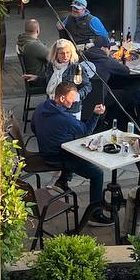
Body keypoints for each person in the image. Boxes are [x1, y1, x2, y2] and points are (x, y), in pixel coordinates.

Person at [30, 81, 110, 224]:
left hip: (45, 150)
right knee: (98, 173)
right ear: (62, 98)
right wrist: (96, 115)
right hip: (58, 157)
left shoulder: (41, 107)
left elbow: (33, 128)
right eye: (72, 99)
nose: (73, 103)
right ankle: (95, 214)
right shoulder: (65, 119)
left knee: (73, 145)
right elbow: (85, 132)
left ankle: (63, 180)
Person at [26, 39, 94, 116]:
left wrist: (76, 96)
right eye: (62, 53)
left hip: (70, 109)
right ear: (56, 54)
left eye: (68, 52)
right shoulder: (51, 65)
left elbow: (87, 86)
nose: (65, 56)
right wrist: (36, 78)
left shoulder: (76, 68)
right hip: (52, 105)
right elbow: (49, 82)